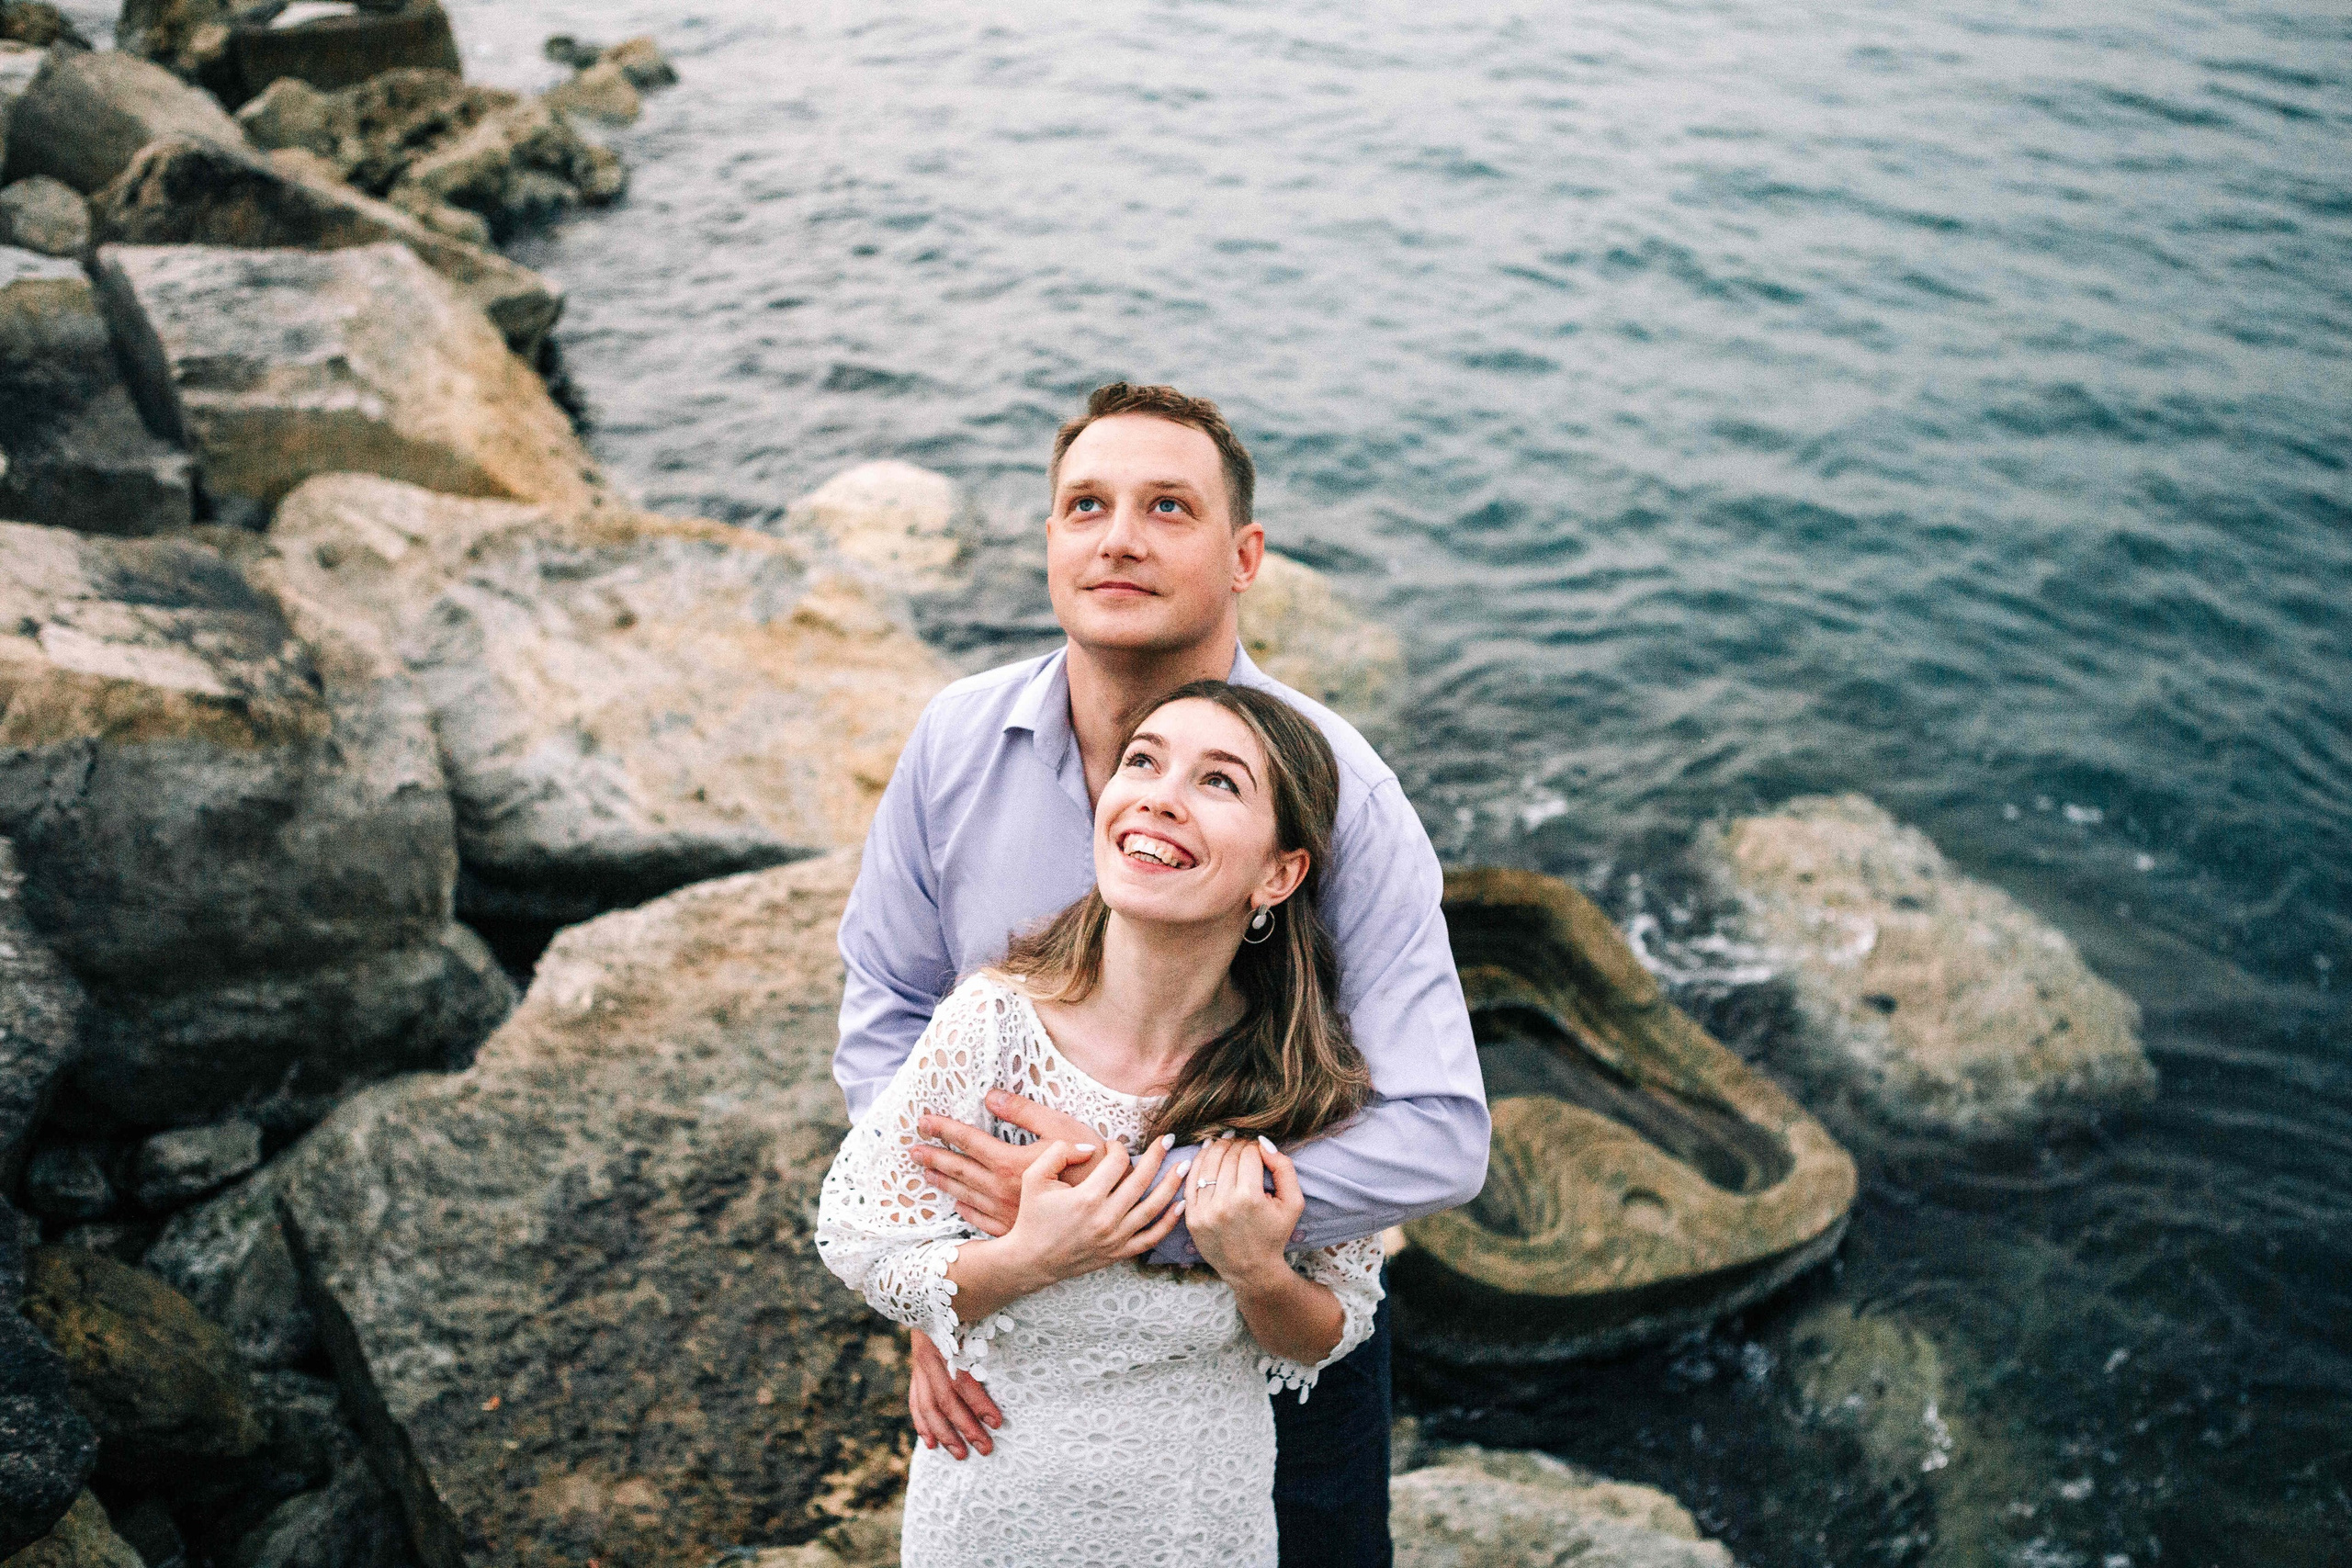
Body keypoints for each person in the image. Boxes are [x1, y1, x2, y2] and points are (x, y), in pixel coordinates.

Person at [831, 382, 1487, 1563]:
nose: (1119, 537)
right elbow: (887, 1006)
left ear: (1243, 557)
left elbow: (1440, 1130)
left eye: (1166, 508)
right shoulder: (955, 740)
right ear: (1049, 541)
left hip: (1259, 1310)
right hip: (1014, 1321)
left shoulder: (1339, 791)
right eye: (1086, 505)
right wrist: (948, 1282)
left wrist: (1159, 1211)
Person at [820, 682, 1386, 1564]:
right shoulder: (992, 1024)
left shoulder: (1298, 1080)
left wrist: (1254, 1268)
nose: (1160, 794)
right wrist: (1027, 1258)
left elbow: (1330, 1329)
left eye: (1220, 782)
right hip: (995, 1507)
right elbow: (862, 1245)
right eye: (1143, 762)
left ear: (1279, 873)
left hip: (1198, 1519)